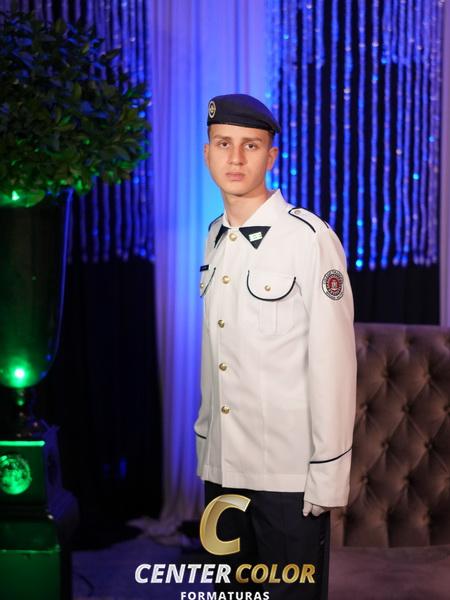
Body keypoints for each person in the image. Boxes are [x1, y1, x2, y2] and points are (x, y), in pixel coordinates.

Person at [194, 93, 357, 599]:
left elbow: (334, 364)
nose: (235, 157)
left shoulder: (308, 238)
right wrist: (205, 451)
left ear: (271, 156)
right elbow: (215, 357)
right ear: (207, 153)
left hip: (288, 480)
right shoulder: (215, 236)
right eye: (224, 143)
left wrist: (328, 474)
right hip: (222, 471)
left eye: (251, 145)